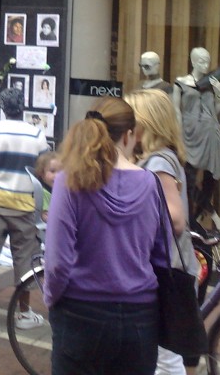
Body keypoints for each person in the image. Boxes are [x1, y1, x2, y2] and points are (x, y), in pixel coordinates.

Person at [44, 98, 168, 375]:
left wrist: (52, 297)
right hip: (140, 317)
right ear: (128, 136)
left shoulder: (71, 180)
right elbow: (161, 253)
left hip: (81, 310)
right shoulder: (150, 184)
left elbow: (57, 260)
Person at [126, 88, 200, 375]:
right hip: (167, 266)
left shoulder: (158, 162)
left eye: (133, 120)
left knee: (165, 359)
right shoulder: (163, 158)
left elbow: (175, 219)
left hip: (165, 269)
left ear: (148, 122)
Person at [0, 86, 47, 327]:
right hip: (25, 207)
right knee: (25, 260)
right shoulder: (37, 135)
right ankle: (24, 313)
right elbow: (43, 174)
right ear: (22, 107)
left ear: (2, 107)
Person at [172, 47, 220, 227]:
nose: (206, 64)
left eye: (208, 61)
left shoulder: (212, 83)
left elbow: (217, 111)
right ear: (193, 61)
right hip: (189, 134)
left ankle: (196, 219)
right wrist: (178, 135)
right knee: (188, 179)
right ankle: (211, 216)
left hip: (210, 133)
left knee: (210, 181)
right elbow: (176, 111)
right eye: (202, 60)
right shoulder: (180, 83)